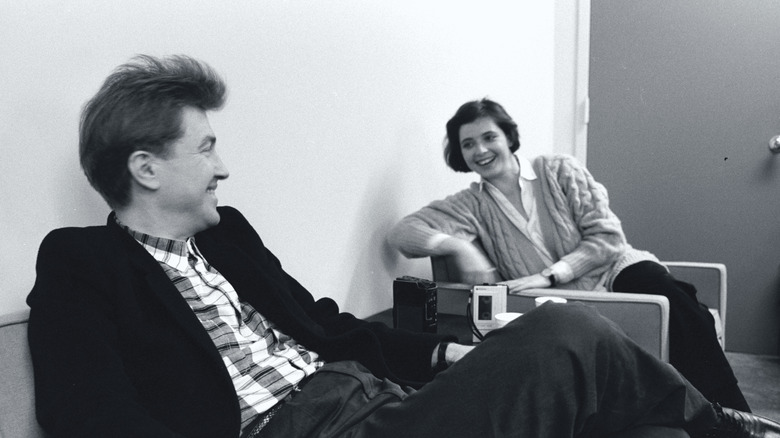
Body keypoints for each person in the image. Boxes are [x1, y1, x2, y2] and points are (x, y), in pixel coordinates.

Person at [26, 55, 780, 438]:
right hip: (306, 428)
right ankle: (722, 425)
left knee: (629, 419)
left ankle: (703, 423)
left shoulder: (230, 238)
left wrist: (446, 358)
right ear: (146, 166)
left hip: (371, 401)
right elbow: (86, 415)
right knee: (565, 332)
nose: (224, 166)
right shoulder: (81, 261)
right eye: (207, 148)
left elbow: (324, 323)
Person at [388, 98, 753, 412]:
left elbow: (608, 238)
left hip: (615, 270)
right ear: (460, 154)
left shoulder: (558, 169)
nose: (480, 150)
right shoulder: (470, 204)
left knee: (672, 299)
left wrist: (552, 273)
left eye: (489, 137)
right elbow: (403, 233)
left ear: (509, 137)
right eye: (468, 144)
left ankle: (734, 416)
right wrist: (457, 245)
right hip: (565, 301)